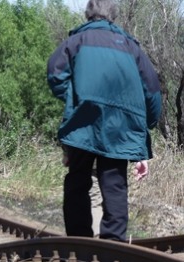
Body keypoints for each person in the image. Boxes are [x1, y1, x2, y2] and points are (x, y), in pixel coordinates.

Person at [47, 0, 162, 242]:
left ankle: (80, 245)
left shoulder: (76, 41)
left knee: (77, 180)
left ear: (88, 15)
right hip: (121, 129)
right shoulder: (131, 48)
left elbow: (55, 74)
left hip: (82, 124)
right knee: (114, 185)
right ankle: (112, 250)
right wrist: (143, 131)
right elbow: (152, 92)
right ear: (113, 17)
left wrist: (75, 98)